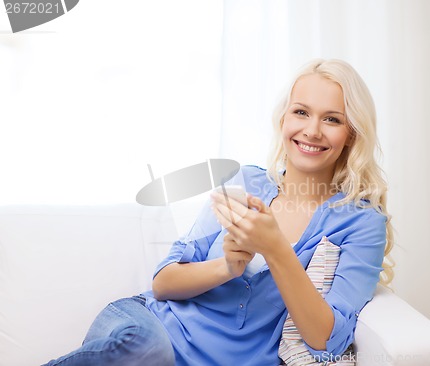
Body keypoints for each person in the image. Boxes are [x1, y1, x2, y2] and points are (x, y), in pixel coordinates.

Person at [43, 58, 394, 366]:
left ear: (351, 134)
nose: (312, 130)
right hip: (146, 328)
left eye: (332, 119)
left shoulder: (361, 222)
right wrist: (227, 267)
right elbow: (163, 284)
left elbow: (326, 342)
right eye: (300, 112)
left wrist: (274, 248)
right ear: (283, 119)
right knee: (147, 353)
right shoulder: (247, 183)